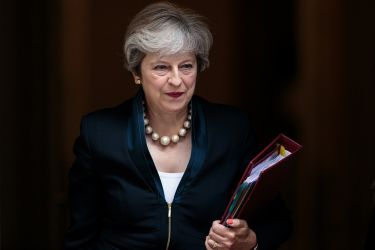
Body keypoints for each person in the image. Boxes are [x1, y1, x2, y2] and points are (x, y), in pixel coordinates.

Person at [64, 2, 292, 249]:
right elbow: (81, 238)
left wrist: (250, 241)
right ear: (136, 72)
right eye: (161, 67)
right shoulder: (100, 133)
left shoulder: (231, 130)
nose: (176, 80)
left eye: (186, 66)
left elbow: (277, 221)